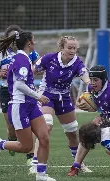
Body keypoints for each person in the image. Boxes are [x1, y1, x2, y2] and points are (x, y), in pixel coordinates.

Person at [0, 31, 56, 181]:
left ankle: (41, 175)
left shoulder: (22, 58)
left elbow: (26, 82)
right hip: (20, 106)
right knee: (25, 146)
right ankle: (0, 144)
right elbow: (19, 84)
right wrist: (39, 96)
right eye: (34, 40)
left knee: (44, 138)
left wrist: (35, 97)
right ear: (29, 43)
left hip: (31, 105)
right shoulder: (21, 59)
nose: (35, 43)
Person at [30, 36, 92, 173]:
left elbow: (85, 75)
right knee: (45, 127)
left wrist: (89, 85)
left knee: (72, 133)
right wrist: (30, 89)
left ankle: (78, 163)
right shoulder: (49, 58)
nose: (72, 50)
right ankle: (35, 163)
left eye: (74, 48)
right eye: (69, 47)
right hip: (46, 95)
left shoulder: (77, 63)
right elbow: (31, 71)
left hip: (64, 97)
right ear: (62, 48)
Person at [0, 25, 39, 162]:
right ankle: (10, 142)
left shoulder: (29, 53)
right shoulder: (2, 54)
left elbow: (39, 66)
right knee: (11, 127)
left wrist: (32, 70)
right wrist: (0, 73)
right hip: (7, 92)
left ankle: (31, 157)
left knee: (31, 125)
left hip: (26, 92)